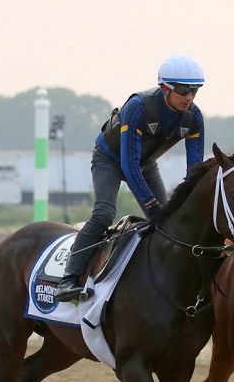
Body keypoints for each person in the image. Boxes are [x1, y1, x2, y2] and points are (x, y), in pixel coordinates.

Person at [55, 54, 206, 302]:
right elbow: (128, 164)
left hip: (145, 164)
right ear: (165, 88)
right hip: (110, 159)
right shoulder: (139, 106)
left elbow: (194, 172)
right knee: (104, 213)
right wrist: (151, 205)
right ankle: (69, 278)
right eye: (183, 90)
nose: (189, 97)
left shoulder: (194, 117)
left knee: (168, 225)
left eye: (195, 91)